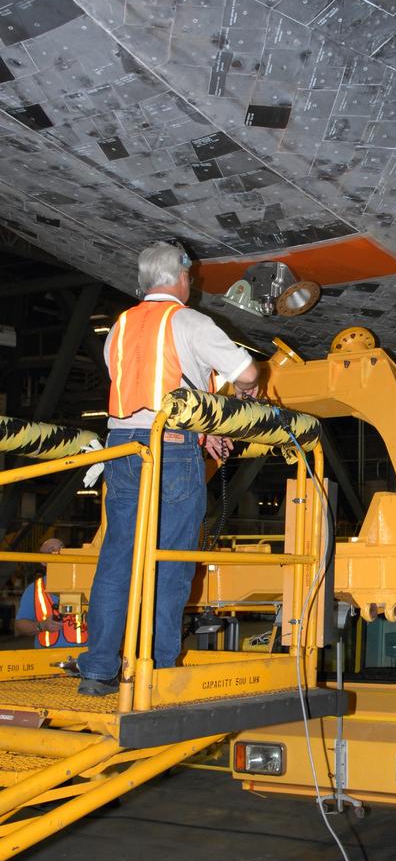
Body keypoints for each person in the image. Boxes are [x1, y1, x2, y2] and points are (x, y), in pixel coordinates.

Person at [73, 243, 258, 696]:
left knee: (117, 560)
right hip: (171, 450)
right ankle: (156, 670)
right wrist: (244, 403)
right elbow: (247, 374)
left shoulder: (119, 327)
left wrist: (203, 429)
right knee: (171, 563)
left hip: (121, 451)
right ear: (181, 278)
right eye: (189, 277)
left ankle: (98, 670)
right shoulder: (188, 321)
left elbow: (146, 390)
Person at [15, 537, 84, 648]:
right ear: (43, 561)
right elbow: (20, 625)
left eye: (62, 548)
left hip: (84, 657)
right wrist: (42, 626)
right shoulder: (34, 590)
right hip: (47, 657)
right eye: (52, 550)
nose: (59, 552)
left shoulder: (86, 583)